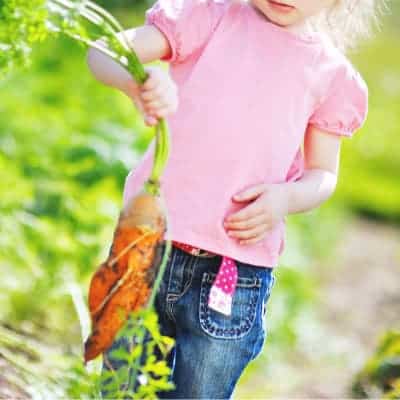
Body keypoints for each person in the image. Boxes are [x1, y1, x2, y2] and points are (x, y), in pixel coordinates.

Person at [86, 0, 381, 397]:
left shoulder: (331, 76)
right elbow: (105, 52)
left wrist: (286, 198)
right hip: (147, 244)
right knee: (122, 387)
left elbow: (323, 174)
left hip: (234, 270)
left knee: (201, 391)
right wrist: (136, 83)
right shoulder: (208, 16)